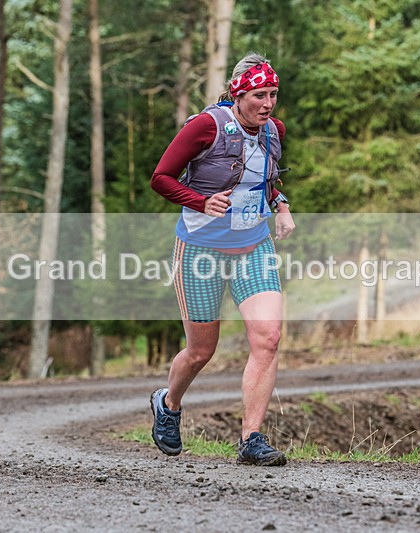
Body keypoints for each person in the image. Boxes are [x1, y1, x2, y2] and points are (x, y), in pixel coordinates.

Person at [148, 52, 295, 466]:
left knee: (268, 339)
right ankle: (169, 402)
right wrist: (200, 201)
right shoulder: (205, 126)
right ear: (238, 93)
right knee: (200, 352)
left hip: (253, 246)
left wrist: (281, 205)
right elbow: (160, 178)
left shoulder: (273, 131)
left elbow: (266, 179)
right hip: (200, 249)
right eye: (259, 95)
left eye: (273, 95)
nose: (267, 104)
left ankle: (251, 438)